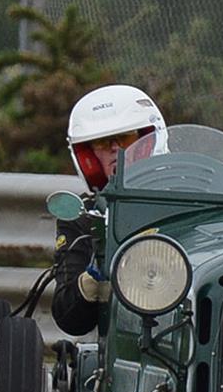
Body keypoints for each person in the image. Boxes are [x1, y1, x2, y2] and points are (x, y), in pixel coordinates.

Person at [52, 84, 166, 336]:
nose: (116, 148)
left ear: (147, 140)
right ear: (90, 156)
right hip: (122, 336)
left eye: (125, 138)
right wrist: (93, 277)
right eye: (103, 142)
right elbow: (68, 318)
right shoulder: (84, 216)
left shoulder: (188, 195)